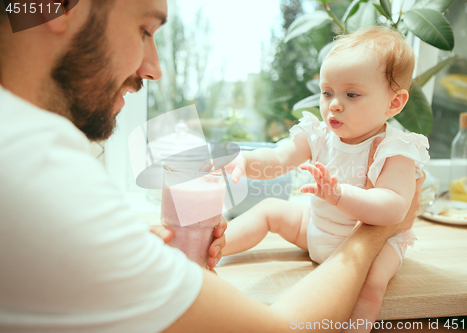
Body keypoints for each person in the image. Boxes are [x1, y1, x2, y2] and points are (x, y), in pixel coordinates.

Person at [0, 1, 424, 332]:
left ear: (393, 103)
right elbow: (278, 330)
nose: (155, 69)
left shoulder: (32, 153)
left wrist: (147, 255)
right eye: (144, 29)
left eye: (352, 95)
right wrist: (376, 231)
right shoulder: (37, 174)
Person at [218, 26, 430, 332]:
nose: (334, 104)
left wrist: (339, 195)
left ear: (394, 103)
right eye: (327, 92)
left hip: (369, 253)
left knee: (372, 286)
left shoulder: (395, 149)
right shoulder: (319, 135)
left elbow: (395, 207)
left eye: (351, 94)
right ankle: (216, 248)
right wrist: (245, 160)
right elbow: (278, 158)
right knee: (270, 211)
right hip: (316, 229)